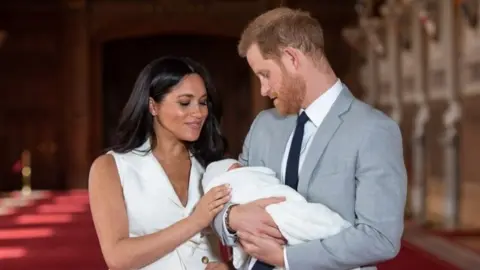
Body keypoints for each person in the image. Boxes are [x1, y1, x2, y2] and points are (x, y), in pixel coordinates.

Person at [213, 7, 407, 270]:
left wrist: (286, 259)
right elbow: (228, 191)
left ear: (292, 58)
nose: (264, 89)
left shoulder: (373, 130)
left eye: (266, 74)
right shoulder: (264, 125)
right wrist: (231, 218)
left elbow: (380, 238)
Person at [88, 56, 232, 270]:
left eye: (203, 102)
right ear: (153, 106)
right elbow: (118, 258)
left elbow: (247, 242)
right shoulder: (110, 168)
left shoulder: (214, 165)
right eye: (185, 102)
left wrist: (228, 267)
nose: (199, 113)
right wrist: (195, 221)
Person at [203, 158, 359, 270]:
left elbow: (376, 238)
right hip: (260, 247)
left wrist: (283, 257)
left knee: (301, 219)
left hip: (293, 228)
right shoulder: (261, 127)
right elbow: (214, 209)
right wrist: (231, 215)